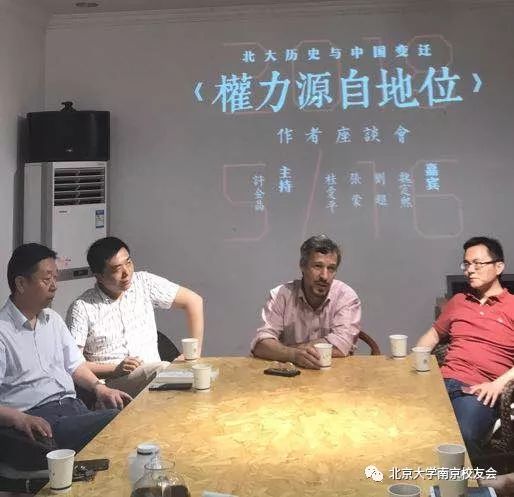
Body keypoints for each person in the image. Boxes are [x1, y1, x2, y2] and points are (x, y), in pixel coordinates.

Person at [0, 243, 131, 469]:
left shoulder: (52, 320)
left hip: (73, 409)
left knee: (133, 412)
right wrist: (20, 419)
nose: (54, 286)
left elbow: (75, 366)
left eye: (55, 277)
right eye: (46, 279)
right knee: (119, 423)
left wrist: (100, 388)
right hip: (39, 422)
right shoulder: (3, 332)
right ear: (21, 283)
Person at [416, 236, 514, 463]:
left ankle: (475, 480)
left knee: (463, 435)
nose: (470, 270)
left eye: (477, 264)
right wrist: (414, 362)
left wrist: (497, 385)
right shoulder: (459, 301)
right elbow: (433, 335)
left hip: (479, 389)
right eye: (466, 264)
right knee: (406, 426)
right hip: (441, 382)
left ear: (499, 267)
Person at [66, 237, 204, 397]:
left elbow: (193, 301)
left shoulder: (143, 283)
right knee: (166, 373)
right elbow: (73, 364)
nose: (126, 273)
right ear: (99, 276)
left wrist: (194, 352)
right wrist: (115, 369)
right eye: (116, 269)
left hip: (155, 373)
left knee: (202, 376)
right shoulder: (82, 307)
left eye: (129, 262)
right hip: (113, 384)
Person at [251, 235, 361, 369]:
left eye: (331, 268)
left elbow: (341, 345)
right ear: (302, 266)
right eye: (317, 266)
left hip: (334, 375)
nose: (324, 276)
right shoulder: (281, 295)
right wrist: (293, 355)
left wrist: (284, 350)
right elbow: (261, 344)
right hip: (290, 376)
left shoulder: (346, 296)